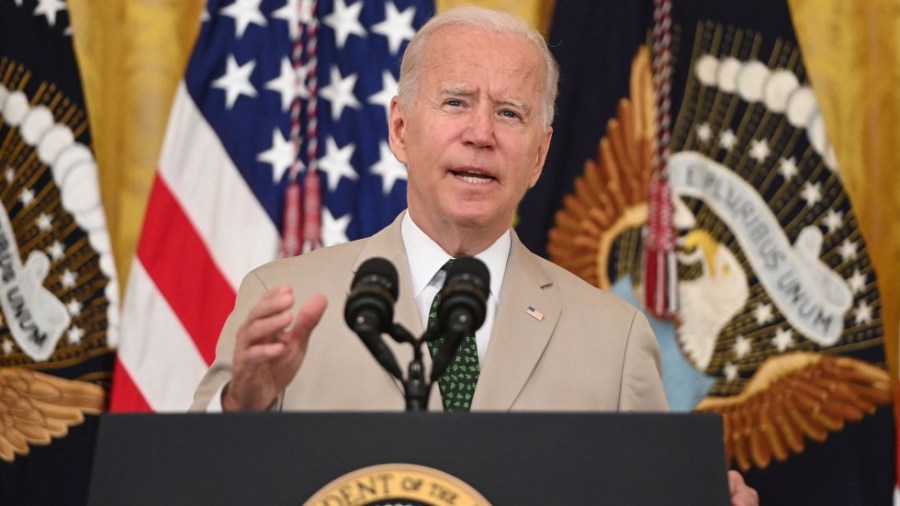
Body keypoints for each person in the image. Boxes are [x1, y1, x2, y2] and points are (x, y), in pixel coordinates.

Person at [191, 6, 757, 505]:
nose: (481, 133)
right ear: (400, 128)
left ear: (540, 155)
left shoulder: (616, 341)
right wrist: (242, 409)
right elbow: (189, 486)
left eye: (510, 113)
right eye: (456, 102)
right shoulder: (282, 303)